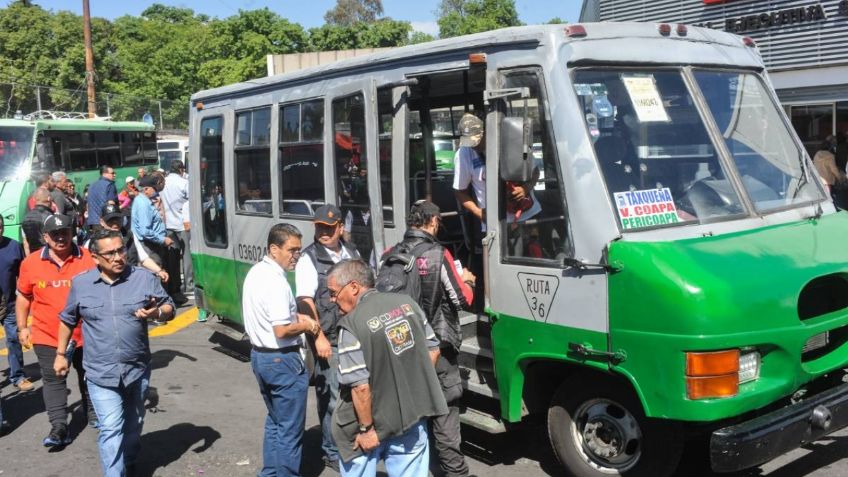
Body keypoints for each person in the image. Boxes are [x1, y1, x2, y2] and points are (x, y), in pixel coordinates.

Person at [55, 229, 174, 477]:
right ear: (95, 256)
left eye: (121, 250)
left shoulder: (143, 278)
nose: (118, 257)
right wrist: (60, 354)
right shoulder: (81, 284)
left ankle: (129, 459)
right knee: (110, 428)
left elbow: (169, 306)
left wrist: (156, 313)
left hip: (136, 370)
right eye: (110, 253)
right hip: (100, 372)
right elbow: (67, 319)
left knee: (133, 425)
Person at [329, 259, 447, 477]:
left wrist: (367, 430)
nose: (332, 299)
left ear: (354, 287)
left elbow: (360, 388)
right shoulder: (407, 304)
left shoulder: (351, 324)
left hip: (366, 425)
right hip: (411, 417)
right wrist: (410, 393)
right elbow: (434, 351)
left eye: (334, 292)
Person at [390, 200, 475, 477]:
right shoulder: (439, 254)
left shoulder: (389, 253)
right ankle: (454, 472)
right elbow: (463, 299)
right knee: (445, 412)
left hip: (401, 347)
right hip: (438, 346)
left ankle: (420, 469)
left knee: (414, 413)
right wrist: (469, 280)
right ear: (434, 221)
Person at [242, 223, 320, 477]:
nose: (297, 256)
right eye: (292, 250)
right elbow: (282, 330)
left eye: (299, 250)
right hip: (282, 360)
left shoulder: (256, 273)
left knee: (275, 422)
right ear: (274, 249)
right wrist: (306, 325)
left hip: (260, 358)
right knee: (290, 431)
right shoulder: (276, 282)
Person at [16, 214, 97, 447]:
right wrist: (22, 327)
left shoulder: (88, 258)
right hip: (46, 334)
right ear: (45, 237)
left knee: (89, 375)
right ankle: (59, 427)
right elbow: (23, 297)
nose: (61, 238)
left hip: (86, 333)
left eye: (65, 232)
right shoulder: (30, 263)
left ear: (73, 233)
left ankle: (92, 412)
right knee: (53, 380)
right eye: (55, 234)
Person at [296, 204, 360, 472]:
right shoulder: (308, 258)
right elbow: (304, 301)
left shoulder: (352, 254)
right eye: (319, 227)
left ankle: (349, 441)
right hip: (329, 338)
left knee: (355, 392)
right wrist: (318, 337)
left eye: (329, 228)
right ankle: (331, 451)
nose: (323, 232)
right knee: (332, 398)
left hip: (353, 335)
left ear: (340, 228)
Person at [132, 175, 185, 305]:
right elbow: (145, 231)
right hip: (150, 246)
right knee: (155, 274)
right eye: (154, 188)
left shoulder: (145, 201)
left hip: (153, 244)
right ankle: (158, 307)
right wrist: (162, 239)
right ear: (146, 189)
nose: (156, 191)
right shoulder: (143, 204)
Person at [0, 216, 32, 392]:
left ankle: (18, 376)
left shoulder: (13, 246)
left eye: (0, 227)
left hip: (11, 303)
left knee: (13, 340)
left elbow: (23, 273)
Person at [161, 159, 191, 294]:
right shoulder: (184, 183)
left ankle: (175, 284)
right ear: (181, 170)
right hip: (182, 224)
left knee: (172, 256)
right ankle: (189, 284)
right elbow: (191, 201)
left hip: (167, 224)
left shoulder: (163, 183)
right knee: (186, 255)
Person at [813, 137, 847, 209]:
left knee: (820, 198)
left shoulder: (817, 154)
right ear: (830, 148)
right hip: (827, 181)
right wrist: (840, 178)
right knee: (829, 198)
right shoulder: (830, 156)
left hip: (818, 179)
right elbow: (833, 169)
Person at [21, 188, 53, 254]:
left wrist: (29, 260)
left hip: (33, 256)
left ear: (35, 199)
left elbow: (26, 243)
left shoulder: (25, 218)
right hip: (48, 255)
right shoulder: (50, 217)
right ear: (49, 198)